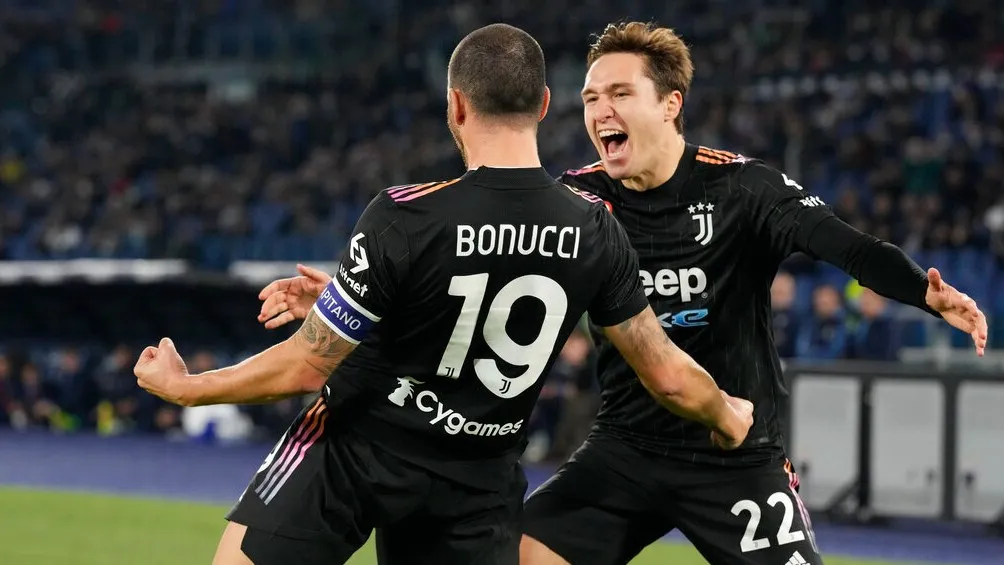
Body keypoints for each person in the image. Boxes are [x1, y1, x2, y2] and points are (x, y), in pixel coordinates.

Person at [133, 23, 754, 565]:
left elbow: (306, 366)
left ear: (456, 105)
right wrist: (726, 414)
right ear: (544, 104)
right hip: (475, 486)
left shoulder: (405, 215)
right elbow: (667, 375)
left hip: (356, 451)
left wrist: (189, 388)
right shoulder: (597, 228)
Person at [514, 21, 989, 565]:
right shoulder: (578, 198)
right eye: (591, 98)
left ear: (670, 104)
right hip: (625, 448)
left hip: (736, 453)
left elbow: (848, 247)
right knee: (515, 554)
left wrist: (924, 292)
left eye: (620, 94)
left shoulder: (742, 187)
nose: (601, 111)